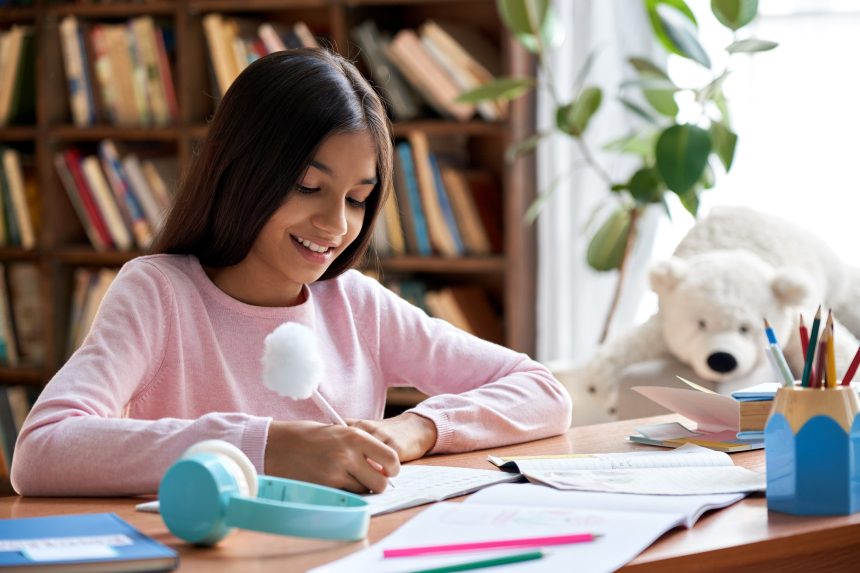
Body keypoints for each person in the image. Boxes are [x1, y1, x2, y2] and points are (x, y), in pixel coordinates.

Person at [11, 49, 572, 497]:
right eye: (309, 187)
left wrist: (416, 430)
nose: (335, 224)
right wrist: (265, 446)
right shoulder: (160, 293)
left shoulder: (355, 304)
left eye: (358, 198)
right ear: (242, 171)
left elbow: (543, 392)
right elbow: (41, 451)